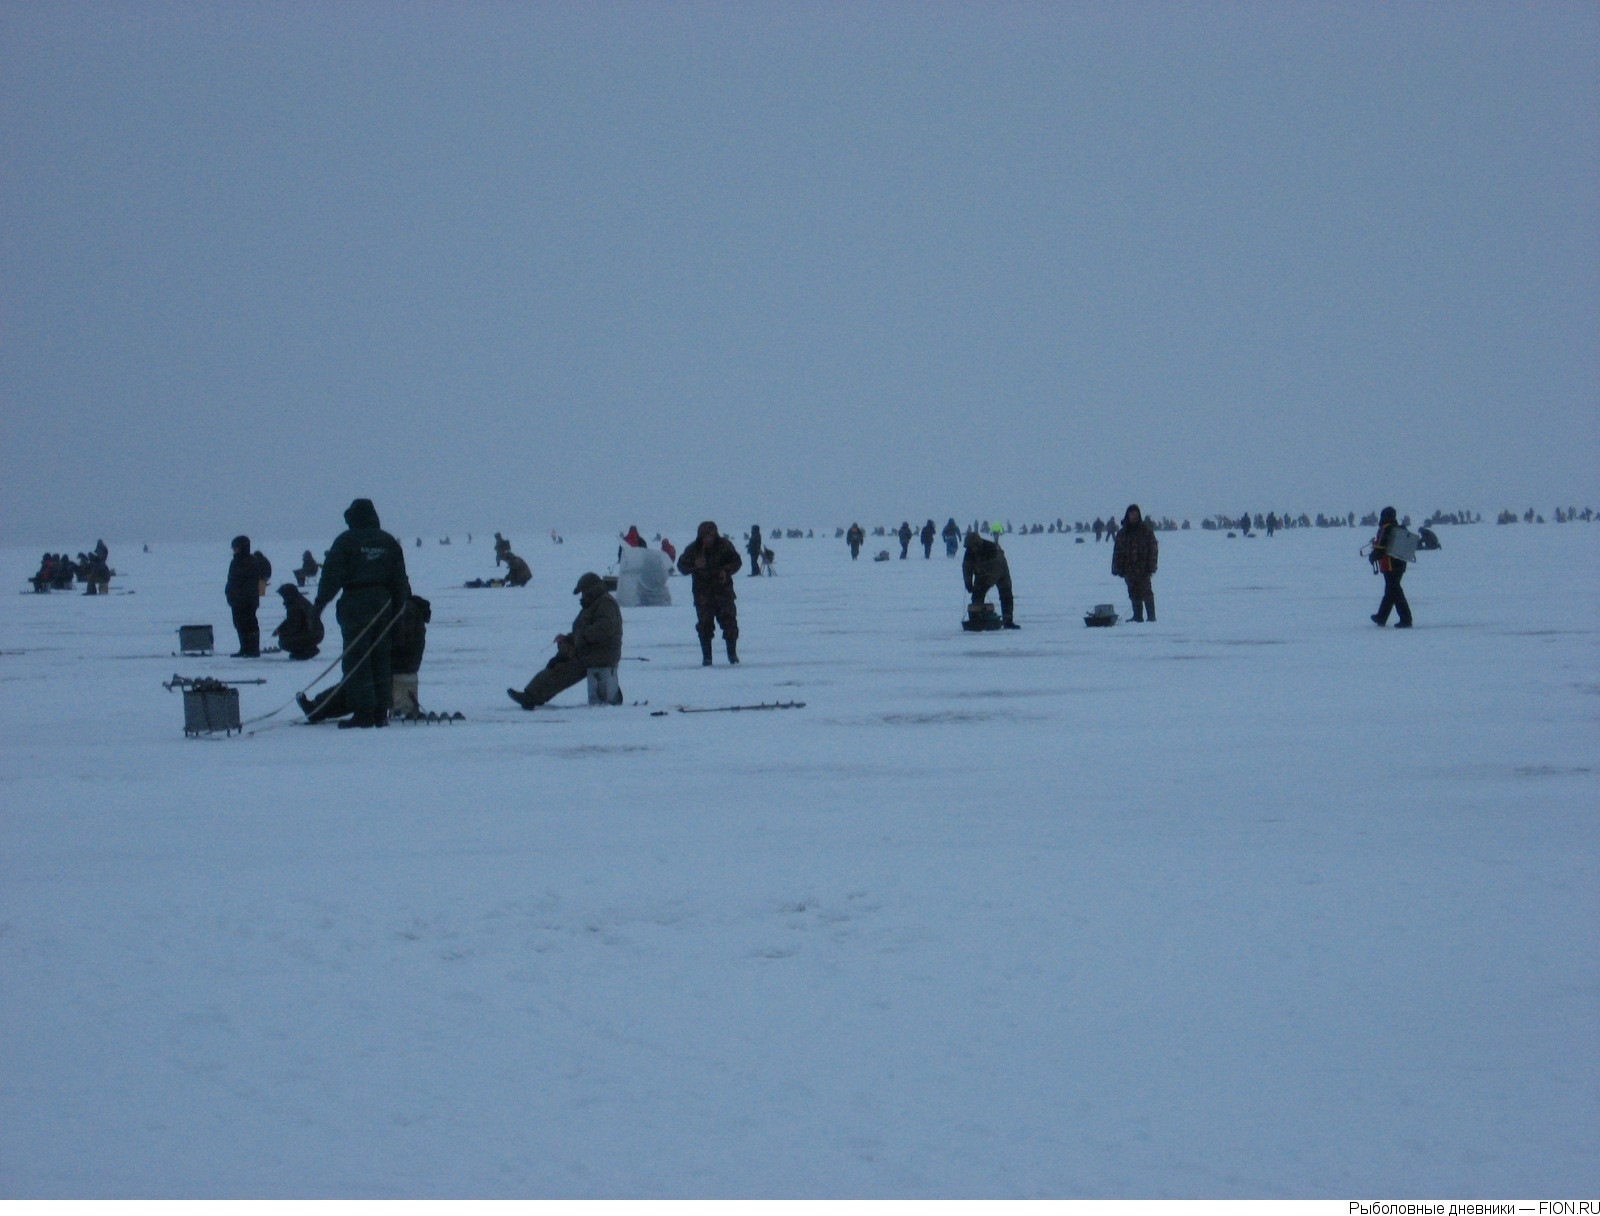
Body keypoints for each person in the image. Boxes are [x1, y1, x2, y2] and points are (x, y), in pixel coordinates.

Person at [313, 498, 412, 728]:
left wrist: (319, 605)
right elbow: (400, 579)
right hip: (385, 603)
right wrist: (399, 610)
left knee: (357, 658)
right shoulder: (388, 541)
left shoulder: (346, 541)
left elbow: (331, 576)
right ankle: (380, 712)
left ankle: (364, 712)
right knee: (381, 657)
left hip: (357, 602)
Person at [299, 595, 431, 721]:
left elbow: (398, 639)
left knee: (355, 687)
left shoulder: (405, 609)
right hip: (401, 665)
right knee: (355, 687)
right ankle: (318, 708)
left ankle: (318, 709)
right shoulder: (409, 610)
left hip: (395, 666)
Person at [507, 573, 623, 708]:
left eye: (583, 592)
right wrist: (569, 638)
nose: (582, 595)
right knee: (557, 663)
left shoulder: (605, 604)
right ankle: (533, 695)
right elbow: (586, 630)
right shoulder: (595, 603)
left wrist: (578, 639)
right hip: (591, 651)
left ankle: (532, 697)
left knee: (564, 669)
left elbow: (603, 629)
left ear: (591, 589)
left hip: (600, 654)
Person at [677, 520, 742, 664]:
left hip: (723, 593)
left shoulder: (725, 546)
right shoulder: (693, 549)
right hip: (703, 595)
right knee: (705, 627)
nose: (708, 539)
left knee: (730, 625)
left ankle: (732, 655)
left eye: (710, 535)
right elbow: (681, 566)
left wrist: (726, 570)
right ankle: (707, 658)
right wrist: (694, 565)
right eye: (704, 536)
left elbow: (737, 561)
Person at [1111, 504, 1159, 622]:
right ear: (1128, 515)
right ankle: (1137, 616)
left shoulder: (1146, 530)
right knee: (1133, 592)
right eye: (1131, 514)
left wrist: (1151, 566)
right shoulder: (1122, 533)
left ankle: (1151, 617)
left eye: (1136, 514)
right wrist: (1116, 567)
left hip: (1143, 568)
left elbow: (1153, 549)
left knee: (1146, 592)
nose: (1134, 516)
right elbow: (1117, 551)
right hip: (1128, 568)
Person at [1368, 506, 1413, 628]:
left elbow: (1381, 548)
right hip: (1400, 564)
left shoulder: (1386, 529)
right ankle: (1381, 616)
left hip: (1390, 565)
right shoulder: (1399, 528)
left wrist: (1373, 556)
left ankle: (1406, 619)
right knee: (1391, 591)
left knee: (1395, 591)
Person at [963, 530, 1018, 628]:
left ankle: (1008, 621)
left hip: (1001, 571)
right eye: (969, 548)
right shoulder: (969, 552)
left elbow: (996, 570)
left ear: (977, 544)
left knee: (1006, 595)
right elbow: (967, 568)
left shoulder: (991, 549)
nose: (971, 550)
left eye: (972, 547)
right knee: (977, 595)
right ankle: (977, 619)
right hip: (981, 573)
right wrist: (968, 583)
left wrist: (985, 584)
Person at [225, 535, 262, 657]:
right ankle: (244, 649)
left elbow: (249, 583)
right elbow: (232, 580)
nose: (234, 550)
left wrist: (244, 597)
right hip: (236, 600)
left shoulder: (251, 562)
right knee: (239, 624)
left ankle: (253, 650)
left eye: (236, 547)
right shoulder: (236, 561)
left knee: (249, 625)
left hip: (247, 600)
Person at [272, 584, 324, 659]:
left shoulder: (294, 606)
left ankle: (304, 652)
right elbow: (290, 620)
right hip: (317, 632)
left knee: (283, 642)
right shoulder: (300, 601)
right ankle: (308, 649)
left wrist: (282, 632)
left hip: (312, 634)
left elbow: (294, 626)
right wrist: (280, 629)